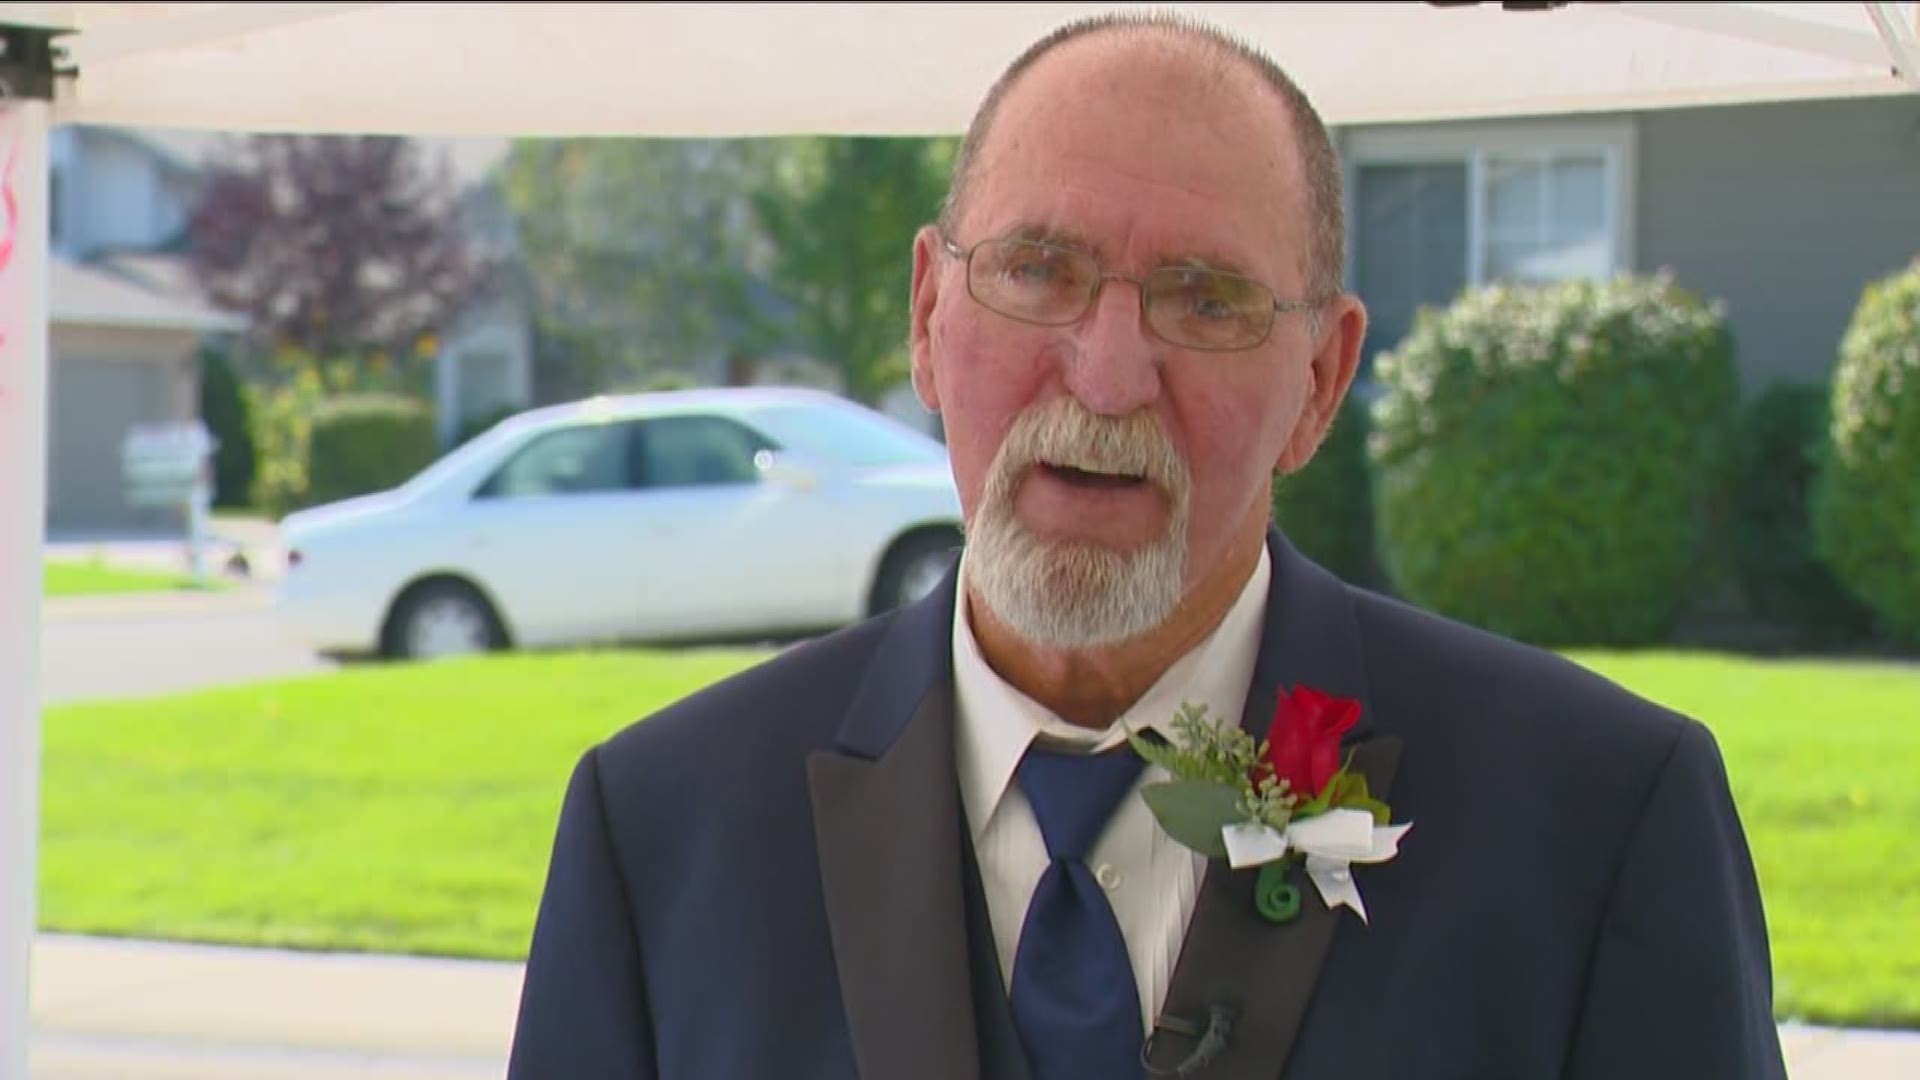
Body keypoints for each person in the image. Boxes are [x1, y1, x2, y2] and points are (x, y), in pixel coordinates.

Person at [507, 11, 1788, 1079]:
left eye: (1207, 300)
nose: (1109, 375)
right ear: (926, 313)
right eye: (1037, 270)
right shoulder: (662, 831)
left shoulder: (1599, 821)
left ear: (1323, 380)